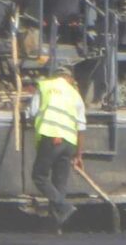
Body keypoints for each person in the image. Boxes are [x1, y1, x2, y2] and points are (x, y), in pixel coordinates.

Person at [29, 60, 86, 231]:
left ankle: (64, 206)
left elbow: (32, 112)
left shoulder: (45, 86)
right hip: (69, 142)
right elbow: (81, 126)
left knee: (39, 176)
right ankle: (57, 226)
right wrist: (79, 155)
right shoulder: (76, 94)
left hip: (51, 136)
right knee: (59, 183)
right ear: (69, 78)